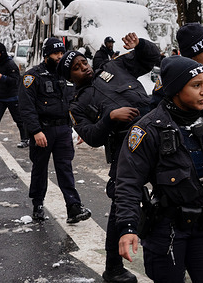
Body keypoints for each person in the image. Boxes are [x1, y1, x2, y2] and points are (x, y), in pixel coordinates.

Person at [115, 55, 203, 282]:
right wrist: (127, 227)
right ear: (176, 89)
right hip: (166, 231)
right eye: (195, 85)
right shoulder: (148, 129)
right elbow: (128, 182)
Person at [60, 32, 159, 283]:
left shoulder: (113, 65)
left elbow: (150, 59)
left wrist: (140, 45)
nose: (84, 68)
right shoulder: (77, 105)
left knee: (173, 187)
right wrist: (110, 118)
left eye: (84, 62)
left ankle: (174, 251)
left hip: (156, 132)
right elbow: (91, 136)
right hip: (126, 147)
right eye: (77, 68)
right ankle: (113, 267)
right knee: (121, 202)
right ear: (69, 76)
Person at [19, 37, 91, 224]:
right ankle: (38, 204)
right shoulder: (32, 76)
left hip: (63, 130)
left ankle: (73, 207)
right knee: (40, 169)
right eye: (56, 53)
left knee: (65, 169)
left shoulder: (68, 76)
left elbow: (77, 104)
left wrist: (82, 128)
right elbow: (26, 107)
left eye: (62, 53)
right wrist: (35, 131)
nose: (60, 56)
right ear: (46, 55)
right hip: (43, 131)